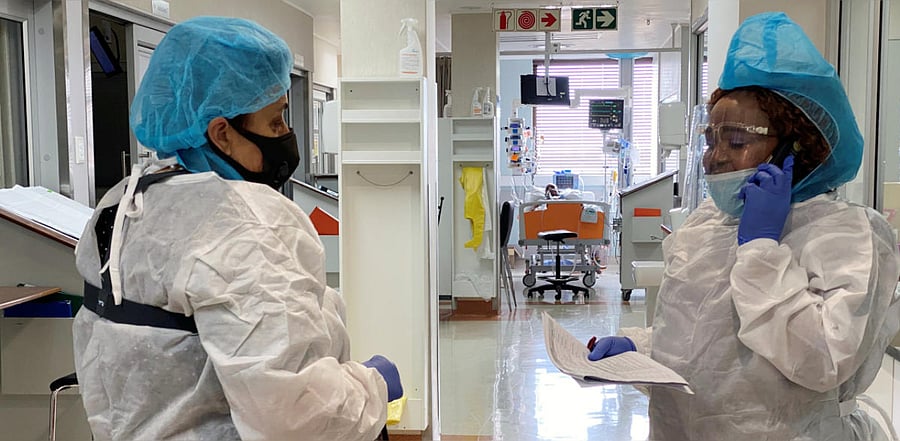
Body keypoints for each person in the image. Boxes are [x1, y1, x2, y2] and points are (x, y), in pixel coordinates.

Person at [72, 17, 401, 441]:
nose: (286, 135)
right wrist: (372, 386)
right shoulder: (246, 223)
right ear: (222, 133)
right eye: (276, 121)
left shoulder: (122, 204)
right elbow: (293, 415)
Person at [587, 12, 900, 441]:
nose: (714, 158)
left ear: (797, 147)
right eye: (710, 140)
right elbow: (703, 340)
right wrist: (639, 349)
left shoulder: (848, 235)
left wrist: (761, 250)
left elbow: (823, 360)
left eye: (735, 141)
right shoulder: (707, 225)